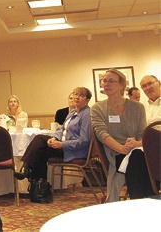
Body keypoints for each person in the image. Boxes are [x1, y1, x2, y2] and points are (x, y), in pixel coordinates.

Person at [91, 68, 152, 202]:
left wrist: (135, 144)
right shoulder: (98, 108)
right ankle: (146, 202)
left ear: (122, 85)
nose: (107, 84)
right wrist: (122, 148)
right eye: (104, 81)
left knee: (139, 157)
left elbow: (143, 134)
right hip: (115, 154)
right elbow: (101, 134)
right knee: (138, 160)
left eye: (111, 81)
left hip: (137, 150)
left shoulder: (137, 107)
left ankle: (143, 202)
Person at [15, 87, 92, 181]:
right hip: (64, 147)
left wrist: (62, 144)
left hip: (73, 151)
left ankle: (28, 172)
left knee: (39, 140)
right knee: (40, 152)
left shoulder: (87, 114)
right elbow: (62, 129)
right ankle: (39, 184)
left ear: (87, 100)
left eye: (81, 95)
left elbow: (84, 141)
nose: (77, 97)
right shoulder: (73, 112)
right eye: (75, 94)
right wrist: (54, 138)